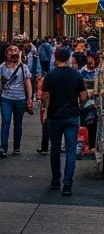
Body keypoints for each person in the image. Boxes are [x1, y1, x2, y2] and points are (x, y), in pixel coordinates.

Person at [40, 47, 86, 196]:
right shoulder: (76, 75)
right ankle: (67, 184)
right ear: (69, 58)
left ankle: (55, 181)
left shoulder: (51, 75)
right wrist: (79, 104)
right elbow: (83, 95)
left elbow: (45, 96)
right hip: (72, 115)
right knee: (71, 151)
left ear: (55, 58)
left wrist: (46, 109)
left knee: (55, 150)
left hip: (54, 116)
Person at [0, 42, 33, 156]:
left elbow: (28, 83)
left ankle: (16, 147)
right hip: (6, 99)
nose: (13, 52)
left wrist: (29, 98)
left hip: (20, 99)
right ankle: (3, 148)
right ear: (6, 54)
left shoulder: (23, 67)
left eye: (15, 50)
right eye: (11, 50)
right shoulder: (2, 67)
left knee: (18, 123)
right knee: (6, 122)